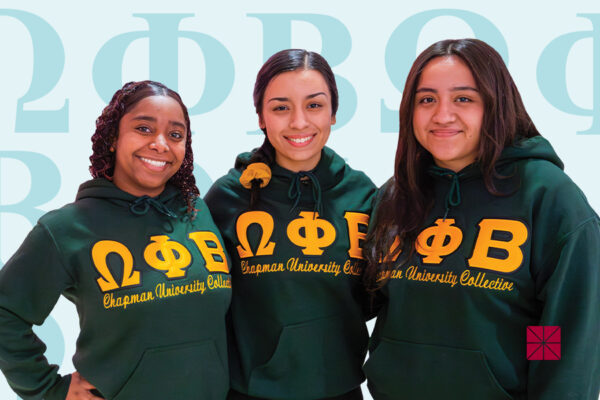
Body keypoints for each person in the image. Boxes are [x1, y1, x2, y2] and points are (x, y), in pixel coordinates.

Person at [363, 38, 600, 399]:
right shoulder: (396, 195)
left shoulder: (547, 197)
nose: (442, 115)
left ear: (495, 104)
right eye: (427, 100)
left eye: (463, 98)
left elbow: (561, 329)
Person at [0, 80, 232, 400]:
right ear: (113, 138)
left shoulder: (198, 213)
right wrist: (48, 388)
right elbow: (5, 312)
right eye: (144, 128)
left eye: (175, 134)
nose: (161, 144)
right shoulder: (67, 228)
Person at [204, 49, 376, 400]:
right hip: (248, 391)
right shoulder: (229, 196)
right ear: (261, 117)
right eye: (281, 107)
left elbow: (381, 296)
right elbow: (200, 301)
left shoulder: (363, 195)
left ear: (333, 113)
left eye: (314, 105)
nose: (299, 122)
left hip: (340, 389)